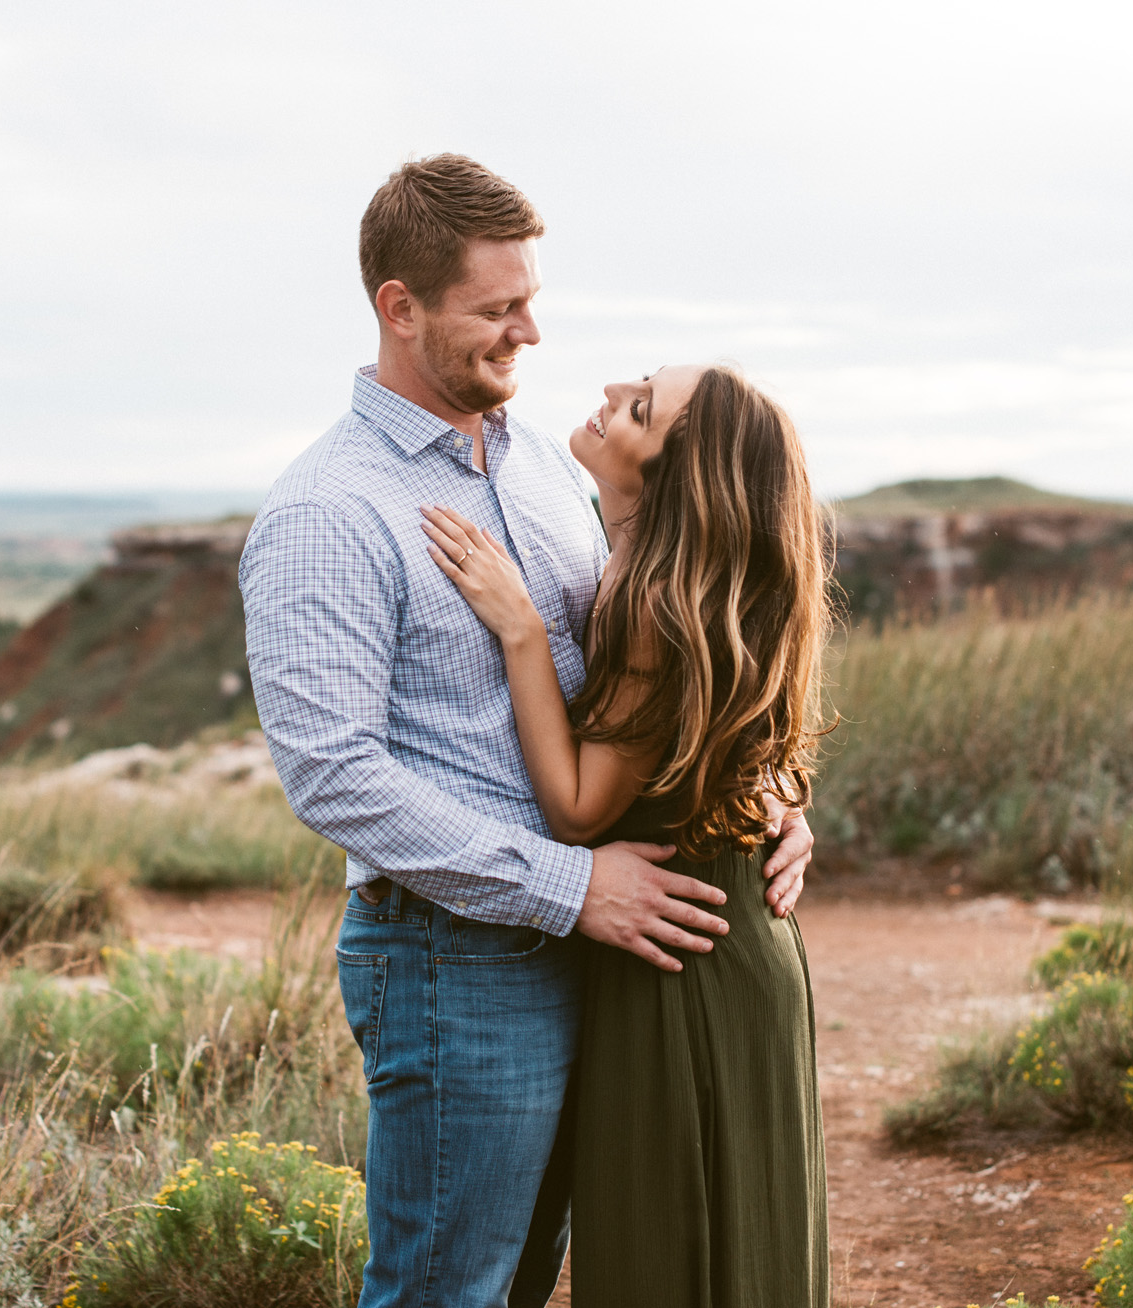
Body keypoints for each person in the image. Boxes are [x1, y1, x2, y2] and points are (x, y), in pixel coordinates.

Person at [238, 153, 815, 1308]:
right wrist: (569, 885)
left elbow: (663, 674)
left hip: (599, 953)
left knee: (525, 1282)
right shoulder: (326, 511)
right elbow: (333, 775)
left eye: (531, 300)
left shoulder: (548, 468)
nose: (531, 334)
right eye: (497, 309)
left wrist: (767, 798)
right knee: (447, 1290)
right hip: (456, 959)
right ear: (400, 308)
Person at [419, 362, 831, 1306]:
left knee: (667, 1247)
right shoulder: (685, 581)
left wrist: (522, 632)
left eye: (640, 408)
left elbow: (577, 808)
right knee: (743, 1240)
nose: (611, 392)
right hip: (732, 938)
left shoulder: (649, 600)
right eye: (639, 382)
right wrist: (778, 799)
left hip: (681, 960)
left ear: (675, 477)